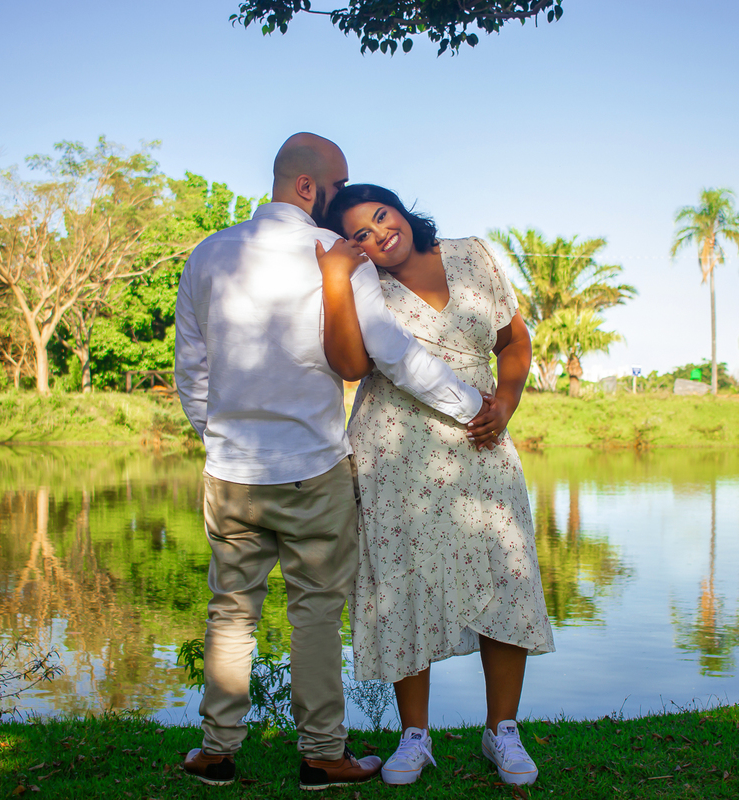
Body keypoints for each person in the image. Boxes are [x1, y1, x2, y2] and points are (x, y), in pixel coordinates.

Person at [173, 135, 489, 791]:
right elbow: (393, 355)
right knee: (314, 614)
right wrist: (471, 405)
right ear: (310, 189)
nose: (344, 200)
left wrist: (222, 437)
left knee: (230, 610)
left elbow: (191, 374)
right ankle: (321, 754)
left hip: (230, 472)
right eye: (338, 186)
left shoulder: (208, 255)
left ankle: (215, 751)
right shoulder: (335, 258)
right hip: (313, 469)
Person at [317, 184, 555, 787]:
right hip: (396, 450)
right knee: (404, 578)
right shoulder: (366, 282)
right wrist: (338, 279)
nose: (378, 235)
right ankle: (414, 737)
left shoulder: (472, 254)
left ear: (400, 209)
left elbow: (514, 341)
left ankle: (502, 732)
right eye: (361, 234)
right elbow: (350, 366)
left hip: (479, 439)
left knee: (503, 574)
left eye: (381, 216)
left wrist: (505, 402)